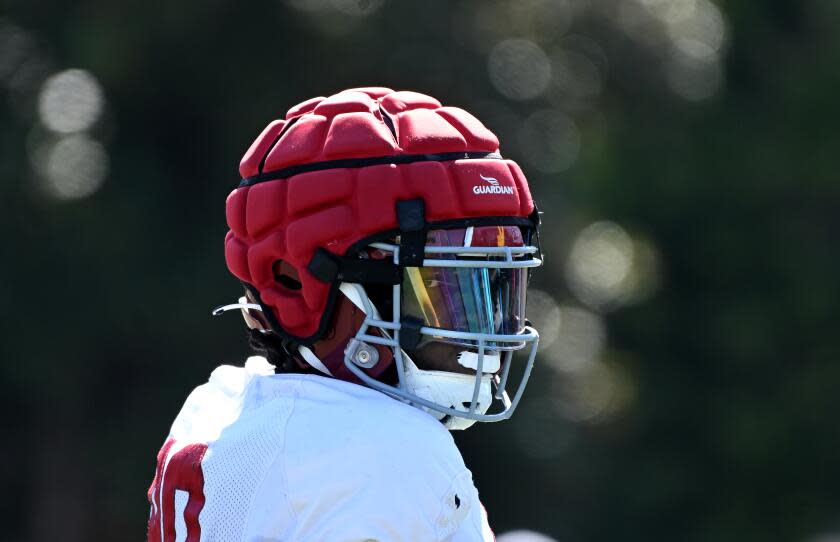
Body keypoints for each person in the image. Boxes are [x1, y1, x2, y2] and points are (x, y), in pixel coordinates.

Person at [146, 87, 543, 541]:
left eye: (493, 289)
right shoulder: (392, 449)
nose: (483, 336)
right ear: (299, 282)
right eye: (441, 290)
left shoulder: (216, 407)